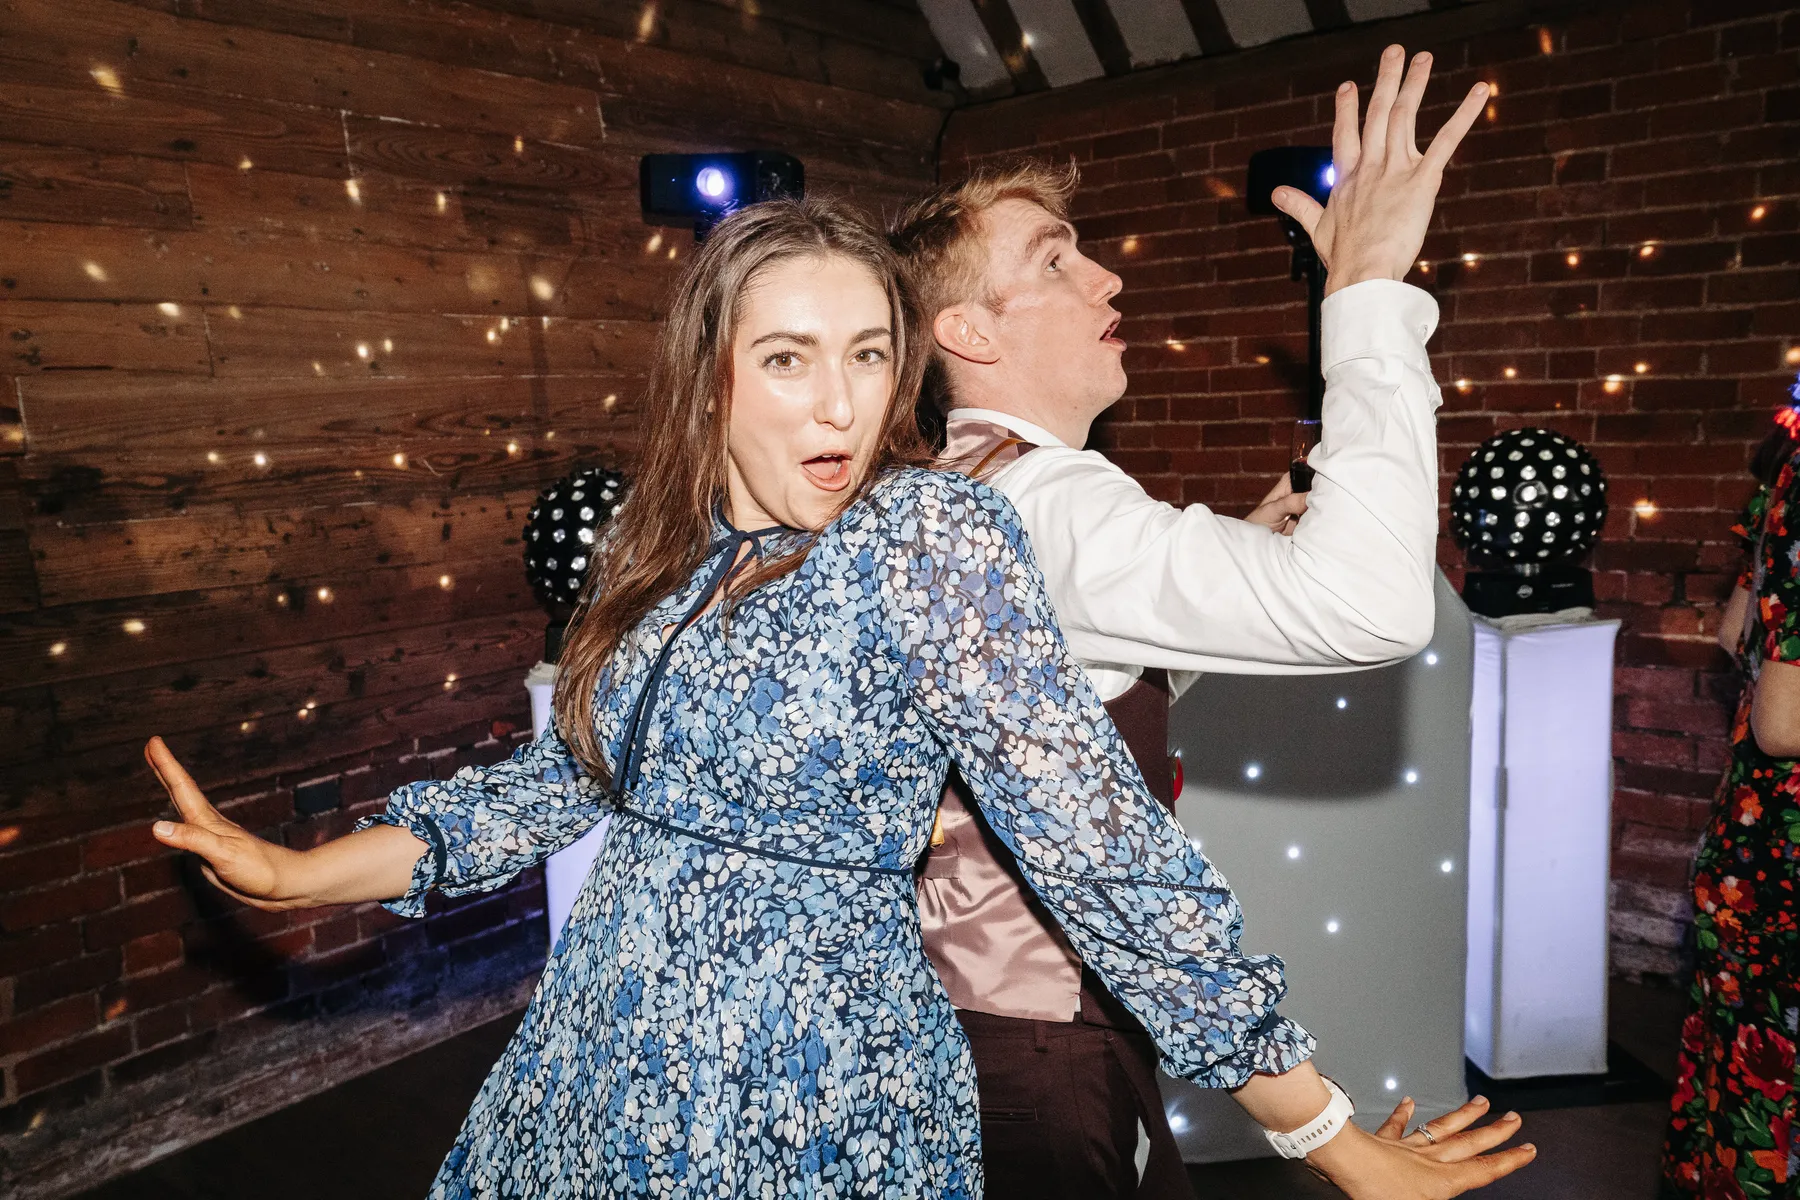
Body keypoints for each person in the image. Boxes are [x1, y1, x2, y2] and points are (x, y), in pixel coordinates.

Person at [144, 196, 1529, 1198]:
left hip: (812, 1091)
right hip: (600, 1067)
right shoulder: (667, 562)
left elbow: (1103, 848)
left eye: (869, 355)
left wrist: (1322, 1133)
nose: (840, 407)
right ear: (712, 378)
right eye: (791, 359)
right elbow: (550, 788)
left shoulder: (928, 541)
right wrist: (301, 870)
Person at [891, 46, 1496, 1199]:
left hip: (979, 1023)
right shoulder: (1048, 504)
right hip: (1032, 1040)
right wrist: (1365, 294)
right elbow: (1371, 607)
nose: (1108, 280)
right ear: (966, 331)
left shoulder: (964, 487)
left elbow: (1055, 710)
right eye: (1057, 261)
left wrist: (1239, 564)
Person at [1662, 413, 1800, 1198]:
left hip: (1756, 840)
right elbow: (1786, 724)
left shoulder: (1789, 464)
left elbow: (1732, 629)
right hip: (1780, 848)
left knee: (1747, 1087)